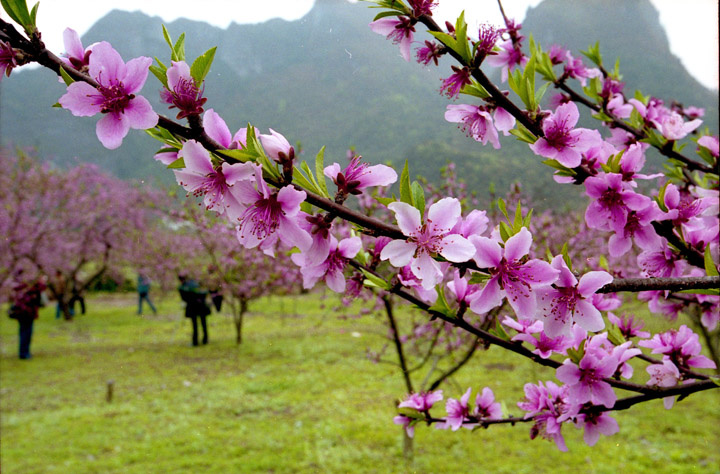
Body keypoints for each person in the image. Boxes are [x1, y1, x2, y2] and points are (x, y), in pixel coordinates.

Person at [9, 272, 47, 359]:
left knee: (24, 332)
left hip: (23, 312)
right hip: (27, 312)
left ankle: (24, 352)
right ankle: (24, 353)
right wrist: (40, 281)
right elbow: (41, 288)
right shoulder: (28, 287)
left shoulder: (21, 287)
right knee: (26, 333)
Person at [178, 274, 210, 346]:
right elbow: (204, 293)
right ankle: (205, 339)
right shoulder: (196, 283)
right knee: (203, 322)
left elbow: (184, 298)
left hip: (192, 307)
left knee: (195, 324)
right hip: (201, 305)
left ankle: (195, 341)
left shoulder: (182, 287)